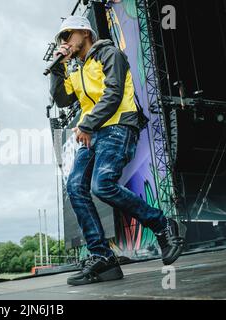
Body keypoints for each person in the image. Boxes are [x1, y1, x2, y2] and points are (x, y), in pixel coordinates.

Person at [49, 15, 186, 286]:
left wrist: (86, 124)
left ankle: (162, 225)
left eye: (68, 36)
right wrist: (57, 68)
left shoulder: (109, 54)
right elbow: (63, 99)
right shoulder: (76, 69)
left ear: (84, 32)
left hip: (117, 126)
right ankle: (103, 259)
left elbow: (113, 94)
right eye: (62, 39)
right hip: (93, 132)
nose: (65, 42)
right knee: (75, 187)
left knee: (102, 185)